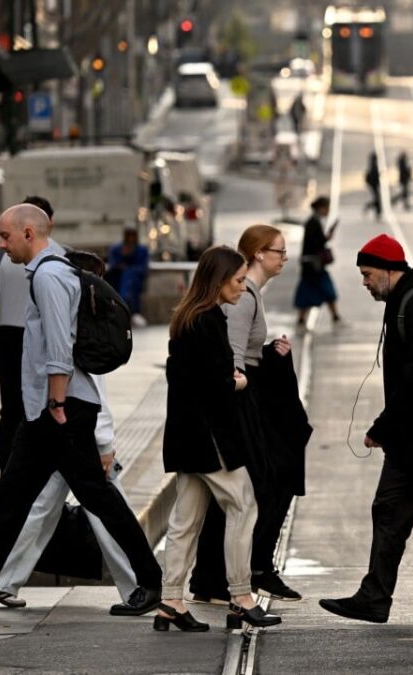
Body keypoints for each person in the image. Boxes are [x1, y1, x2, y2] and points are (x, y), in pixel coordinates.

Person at [0, 204, 162, 618]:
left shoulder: (50, 277)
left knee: (97, 497)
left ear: (29, 233)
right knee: (13, 498)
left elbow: (59, 345)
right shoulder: (48, 273)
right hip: (47, 410)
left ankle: (151, 581)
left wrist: (55, 402)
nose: (2, 246)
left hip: (61, 409)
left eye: (6, 237)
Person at [318, 234, 413, 624]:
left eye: (368, 274)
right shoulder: (401, 303)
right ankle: (374, 597)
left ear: (390, 270)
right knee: (387, 512)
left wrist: (383, 426)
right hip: (411, 441)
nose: (365, 282)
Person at [0, 251, 139, 614]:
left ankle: (3, 580)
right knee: (103, 512)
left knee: (39, 508)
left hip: (58, 426)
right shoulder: (82, 327)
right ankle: (138, 584)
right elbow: (95, 392)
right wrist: (104, 444)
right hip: (75, 433)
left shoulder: (66, 319)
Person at [156, 245, 281, 631]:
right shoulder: (209, 321)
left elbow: (179, 378)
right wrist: (238, 382)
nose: (243, 288)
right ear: (218, 280)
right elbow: (217, 385)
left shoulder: (185, 318)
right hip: (211, 438)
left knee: (186, 520)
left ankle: (170, 601)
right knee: (244, 505)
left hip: (185, 436)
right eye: (239, 280)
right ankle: (241, 596)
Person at [188, 225, 305, 604]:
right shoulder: (244, 297)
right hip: (239, 401)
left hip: (242, 396)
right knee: (247, 490)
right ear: (258, 254)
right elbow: (234, 355)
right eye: (279, 252)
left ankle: (216, 578)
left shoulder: (250, 294)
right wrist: (238, 392)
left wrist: (269, 349)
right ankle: (225, 579)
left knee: (225, 498)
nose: (284, 259)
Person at [0, 196, 57, 471]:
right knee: (38, 409)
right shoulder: (63, 256)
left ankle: (8, 470)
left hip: (9, 339)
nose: (3, 242)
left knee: (9, 412)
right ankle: (32, 471)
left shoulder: (3, 257)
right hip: (42, 340)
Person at [294, 196, 342, 329]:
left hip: (310, 264)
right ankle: (334, 315)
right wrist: (327, 237)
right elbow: (316, 242)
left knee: (308, 290)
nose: (328, 211)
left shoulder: (314, 221)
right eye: (327, 207)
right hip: (313, 265)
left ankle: (303, 318)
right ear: (321, 207)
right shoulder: (313, 222)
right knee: (326, 289)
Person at [106, 227, 150, 328]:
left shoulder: (142, 250)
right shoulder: (116, 249)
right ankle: (126, 309)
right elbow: (113, 265)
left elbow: (143, 267)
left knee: (130, 277)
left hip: (135, 279)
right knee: (126, 277)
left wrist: (131, 269)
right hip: (118, 278)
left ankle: (131, 310)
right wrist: (123, 256)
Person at [364, 153, 382, 219]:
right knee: (377, 199)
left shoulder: (372, 165)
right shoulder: (373, 166)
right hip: (374, 185)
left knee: (377, 199)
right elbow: (374, 176)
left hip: (374, 185)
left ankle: (377, 211)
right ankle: (369, 207)